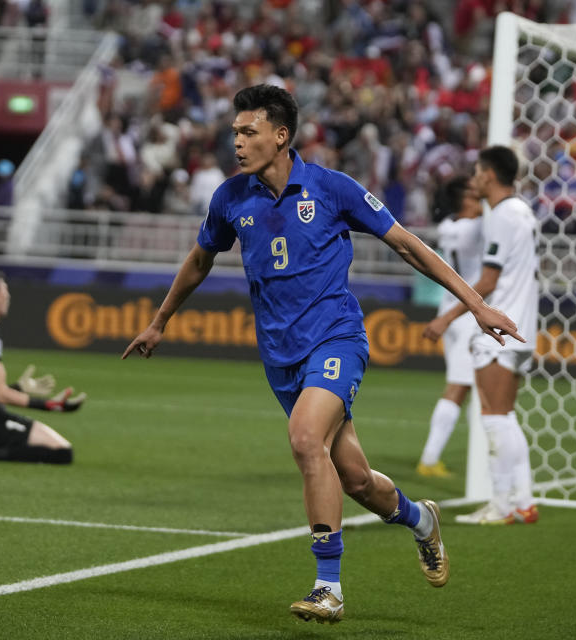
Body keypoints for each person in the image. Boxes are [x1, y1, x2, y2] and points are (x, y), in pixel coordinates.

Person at [122, 85, 523, 623]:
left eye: (248, 132)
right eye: (235, 132)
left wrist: (476, 304)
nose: (236, 142)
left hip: (336, 339)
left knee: (306, 438)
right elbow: (199, 260)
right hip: (280, 357)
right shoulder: (231, 198)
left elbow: (407, 244)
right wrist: (159, 321)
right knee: (354, 478)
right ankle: (420, 519)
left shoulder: (332, 189)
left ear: (280, 136)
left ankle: (327, 586)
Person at [423, 146, 539, 525]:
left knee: (492, 417)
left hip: (499, 327)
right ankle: (522, 501)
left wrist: (447, 318)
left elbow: (488, 280)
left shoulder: (503, 215)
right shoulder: (522, 211)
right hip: (523, 325)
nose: (473, 177)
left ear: (489, 174)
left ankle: (501, 505)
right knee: (505, 416)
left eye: (476, 170)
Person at [0, 269, 85, 464]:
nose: (8, 295)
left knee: (42, 447)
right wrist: (50, 405)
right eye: (4, 289)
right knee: (62, 453)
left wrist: (19, 388)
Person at [417, 175, 484, 478]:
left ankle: (482, 454)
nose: (479, 196)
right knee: (460, 387)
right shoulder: (476, 227)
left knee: (474, 387)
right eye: (472, 193)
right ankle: (429, 460)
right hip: (468, 314)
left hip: (449, 309)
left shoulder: (447, 228)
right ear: (464, 201)